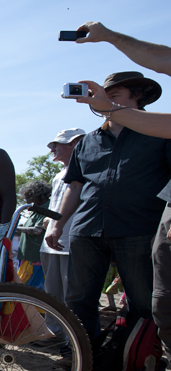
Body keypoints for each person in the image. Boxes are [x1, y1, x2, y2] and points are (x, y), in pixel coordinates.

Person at [46, 71, 171, 344]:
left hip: (138, 229)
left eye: (112, 96)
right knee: (78, 299)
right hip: (87, 230)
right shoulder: (87, 142)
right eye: (101, 96)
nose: (103, 101)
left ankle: (140, 361)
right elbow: (75, 187)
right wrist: (57, 224)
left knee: (143, 301)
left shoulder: (161, 135)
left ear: (136, 97)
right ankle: (80, 360)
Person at [39, 129, 86, 330]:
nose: (53, 149)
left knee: (71, 292)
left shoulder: (85, 169)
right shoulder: (58, 176)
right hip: (50, 242)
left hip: (70, 241)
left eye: (58, 144)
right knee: (51, 291)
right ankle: (53, 331)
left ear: (74, 144)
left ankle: (72, 338)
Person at [16, 181, 51, 289]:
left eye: (29, 197)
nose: (26, 201)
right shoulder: (36, 210)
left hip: (36, 259)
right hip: (28, 256)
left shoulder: (47, 208)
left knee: (32, 290)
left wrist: (14, 228)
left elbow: (37, 230)